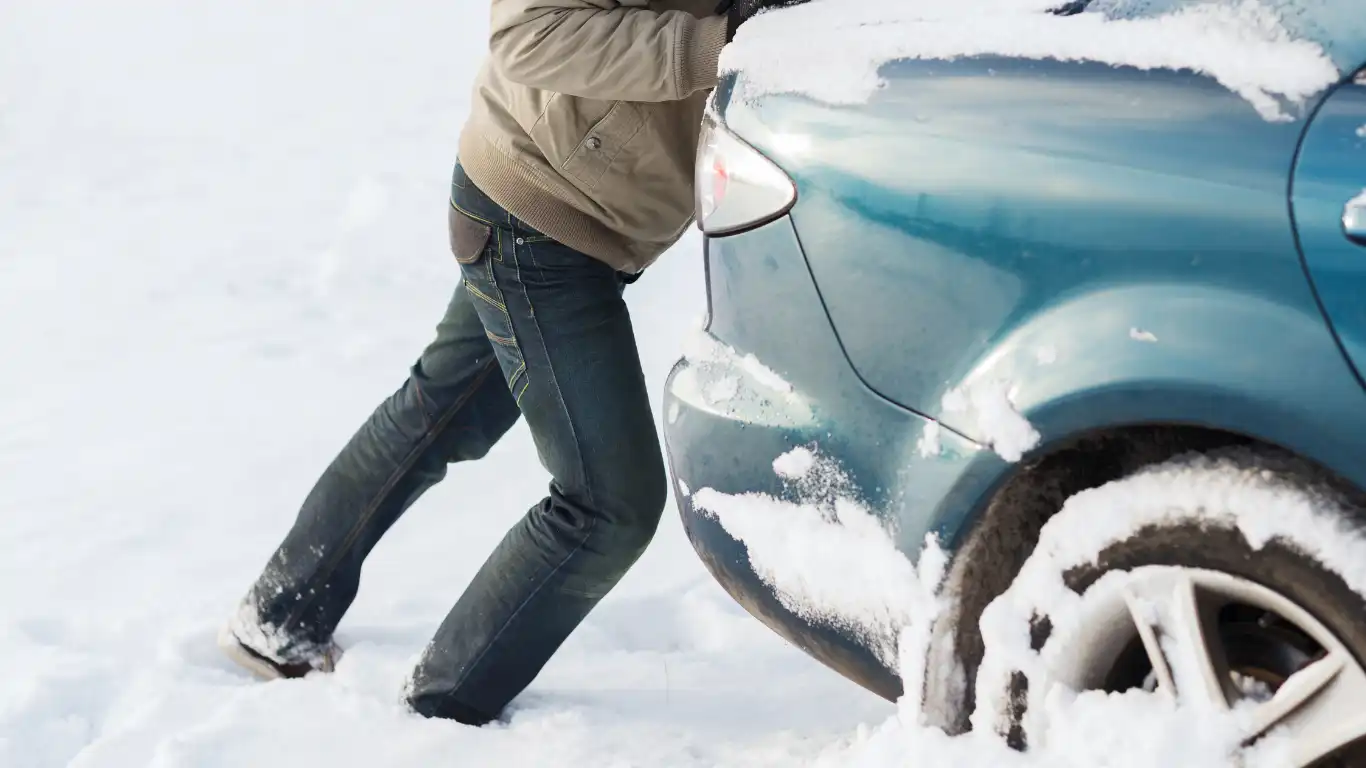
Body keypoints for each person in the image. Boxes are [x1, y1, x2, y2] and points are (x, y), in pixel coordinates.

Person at [217, 0, 803, 727]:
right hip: (538, 219)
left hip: (581, 211)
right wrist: (720, 46)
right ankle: (445, 707)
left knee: (442, 412)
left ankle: (277, 614)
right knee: (608, 503)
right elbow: (529, 35)